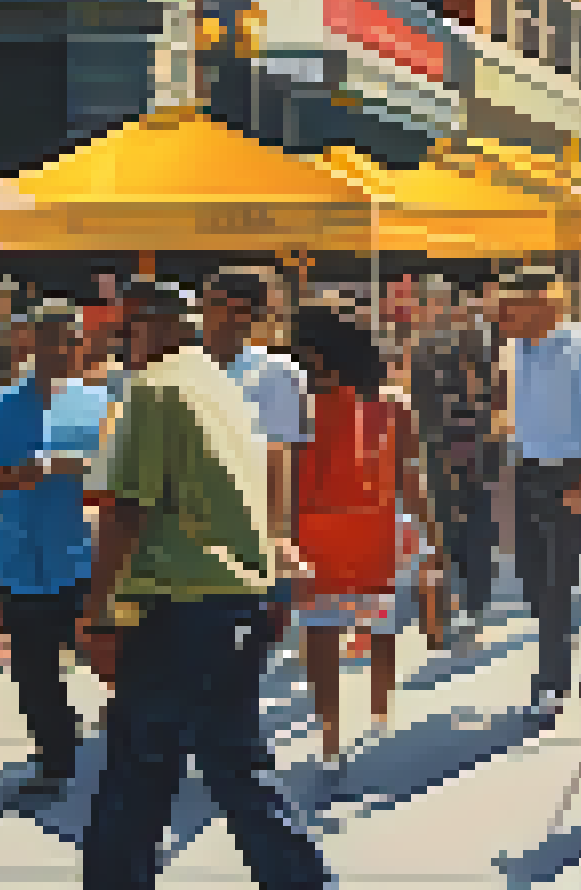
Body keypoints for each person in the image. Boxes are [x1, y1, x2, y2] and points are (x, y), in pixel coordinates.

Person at [79, 280, 331, 890]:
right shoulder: (224, 390)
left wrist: (99, 615)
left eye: (126, 330)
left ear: (151, 326)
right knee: (233, 769)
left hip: (177, 609)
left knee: (138, 777)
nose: (122, 345)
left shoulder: (153, 390)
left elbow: (124, 512)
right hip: (233, 604)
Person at [0, 302, 108, 800]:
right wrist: (15, 477)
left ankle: (133, 753)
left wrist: (68, 465)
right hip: (21, 559)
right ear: (29, 342)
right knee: (34, 672)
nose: (58, 349)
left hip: (91, 556)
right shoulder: (0, 407)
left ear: (82, 345)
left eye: (68, 339)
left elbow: (125, 473)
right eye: (48, 338)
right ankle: (54, 762)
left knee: (114, 661)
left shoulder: (103, 405)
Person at [289, 307, 431, 763]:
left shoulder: (297, 402)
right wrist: (429, 536)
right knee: (380, 621)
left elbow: (282, 474)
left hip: (314, 527)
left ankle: (329, 733)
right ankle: (380, 713)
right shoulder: (393, 405)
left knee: (320, 630)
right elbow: (411, 477)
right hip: (376, 524)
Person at [495, 267, 581, 721]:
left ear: (543, 305)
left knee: (557, 583)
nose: (501, 315)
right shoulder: (518, 349)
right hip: (527, 470)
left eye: (511, 307)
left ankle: (550, 683)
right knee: (531, 577)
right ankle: (558, 662)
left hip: (570, 474)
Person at [202, 271, 313, 596]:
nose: (205, 316)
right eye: (206, 305)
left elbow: (280, 458)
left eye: (214, 305)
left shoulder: (278, 373)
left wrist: (277, 539)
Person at [410, 290, 502, 647]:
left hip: (470, 450)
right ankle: (451, 611)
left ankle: (470, 607)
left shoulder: (488, 353)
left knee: (471, 530)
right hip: (449, 450)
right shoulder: (426, 353)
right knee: (452, 531)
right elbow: (422, 406)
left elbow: (495, 401)